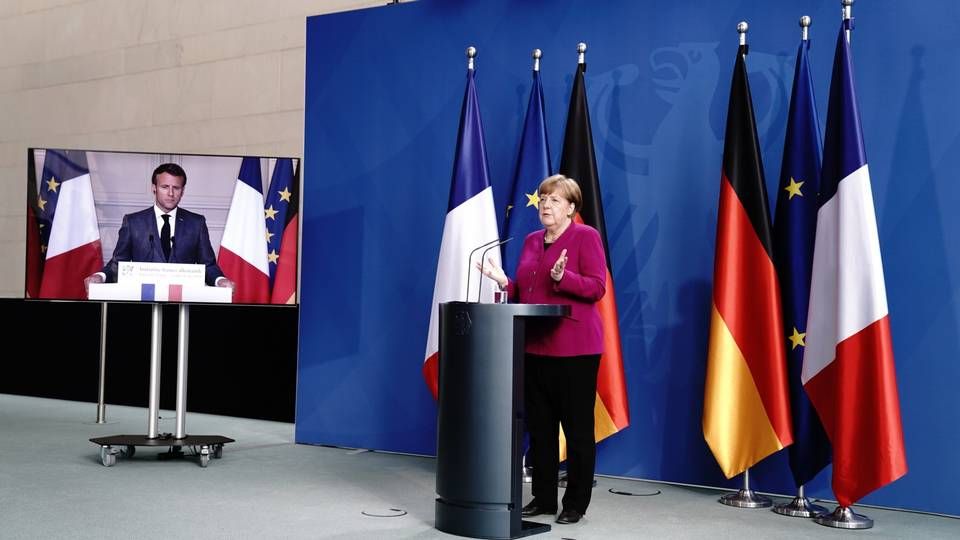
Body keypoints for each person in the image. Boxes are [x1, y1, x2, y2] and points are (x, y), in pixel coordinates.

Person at [478, 174, 606, 525]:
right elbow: (530, 291)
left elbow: (597, 288)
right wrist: (505, 281)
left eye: (554, 200)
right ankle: (544, 498)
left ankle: (575, 503)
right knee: (541, 428)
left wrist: (564, 278)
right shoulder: (534, 240)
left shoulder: (586, 237)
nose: (546, 205)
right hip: (535, 346)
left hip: (575, 348)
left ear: (571, 207)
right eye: (543, 199)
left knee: (577, 430)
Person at [84, 163, 233, 294]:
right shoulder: (133, 222)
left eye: (176, 188)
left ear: (183, 191)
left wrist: (220, 281)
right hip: (144, 300)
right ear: (154, 188)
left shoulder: (197, 223)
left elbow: (208, 265)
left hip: (182, 302)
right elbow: (118, 264)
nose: (170, 193)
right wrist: (100, 277)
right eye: (164, 187)